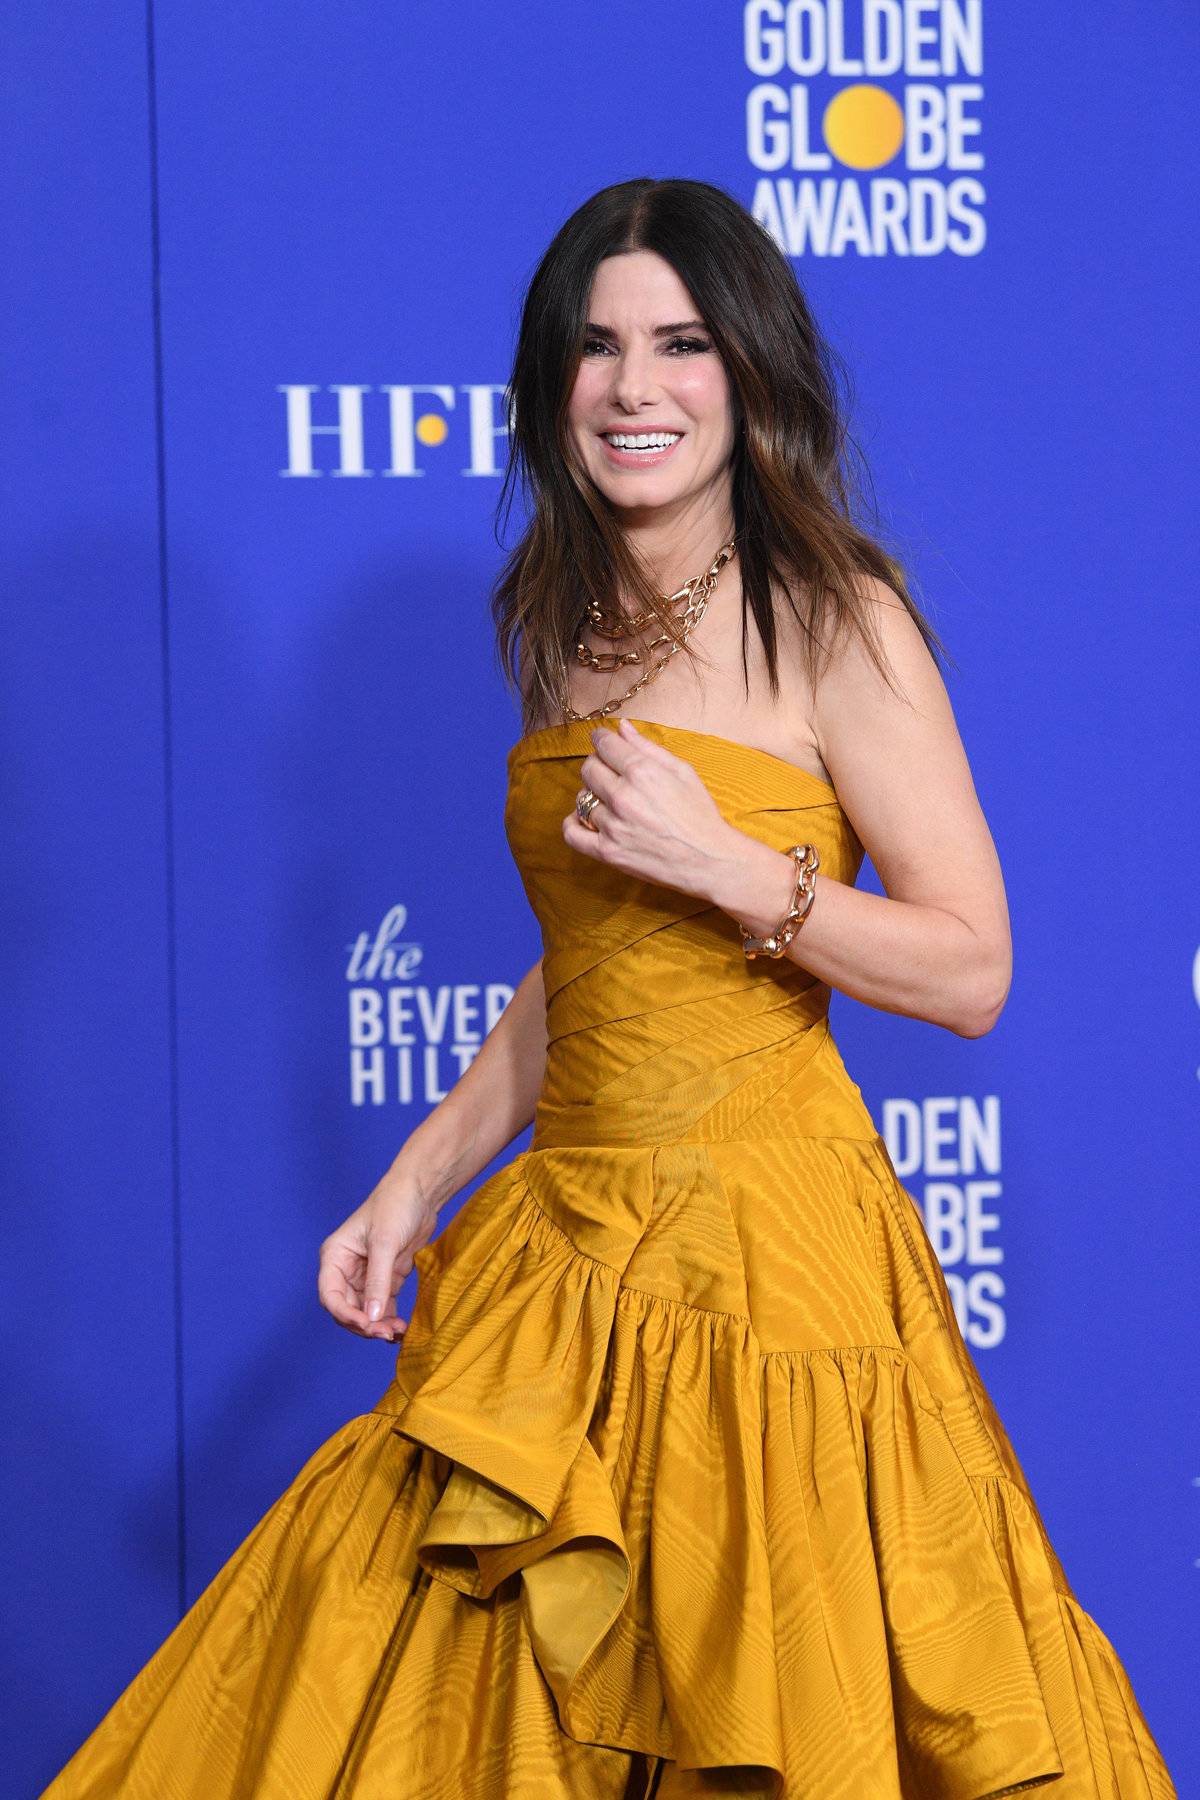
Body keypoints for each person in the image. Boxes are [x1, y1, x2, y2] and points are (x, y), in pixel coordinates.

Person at [41, 178, 1175, 1800]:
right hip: (562, 1257)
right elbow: (593, 972)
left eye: (680, 344)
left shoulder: (837, 621)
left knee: (767, 1704)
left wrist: (739, 873)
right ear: (549, 383)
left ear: (752, 373)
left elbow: (973, 967)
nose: (634, 388)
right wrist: (415, 1180)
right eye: (595, 348)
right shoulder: (564, 629)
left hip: (771, 1276)